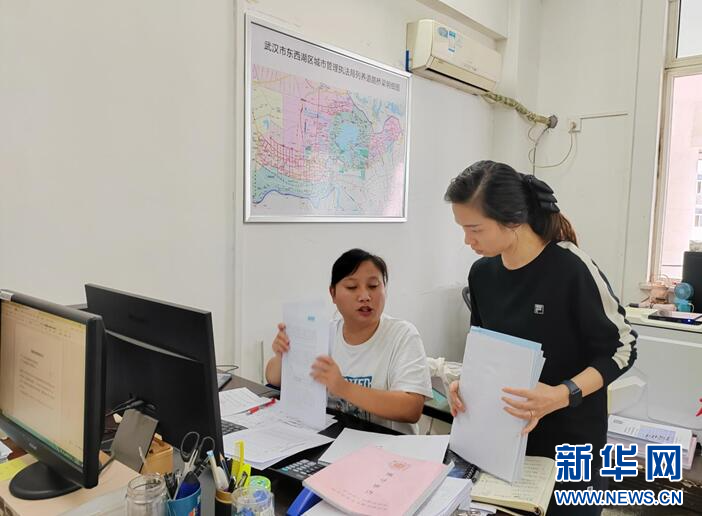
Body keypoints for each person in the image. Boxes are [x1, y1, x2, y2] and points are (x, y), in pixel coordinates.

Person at [444, 161, 637, 516]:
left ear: (513, 220)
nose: (468, 241)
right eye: (463, 229)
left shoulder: (571, 268)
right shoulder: (482, 274)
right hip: (502, 442)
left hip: (570, 448)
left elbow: (622, 349)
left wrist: (562, 394)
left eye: (475, 229)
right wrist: (464, 382)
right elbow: (482, 347)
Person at [264, 248, 433, 434]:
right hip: (332, 439)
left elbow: (411, 408)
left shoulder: (402, 335)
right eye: (352, 287)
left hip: (385, 446)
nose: (365, 296)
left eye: (373, 286)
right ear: (333, 294)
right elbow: (273, 378)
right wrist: (282, 355)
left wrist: (342, 387)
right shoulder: (324, 333)